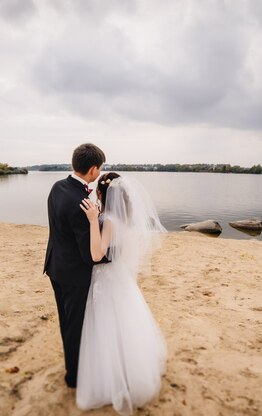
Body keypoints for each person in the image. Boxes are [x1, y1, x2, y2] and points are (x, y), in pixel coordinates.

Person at [77, 172, 167, 415]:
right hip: (122, 279)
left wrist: (93, 220)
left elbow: (97, 255)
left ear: (100, 194)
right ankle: (134, 371)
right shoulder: (127, 219)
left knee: (107, 326)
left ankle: (111, 380)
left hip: (106, 279)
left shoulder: (109, 220)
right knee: (127, 323)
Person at [43, 143, 108, 388]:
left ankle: (74, 366)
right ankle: (74, 376)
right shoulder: (82, 203)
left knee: (65, 319)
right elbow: (89, 256)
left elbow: (60, 227)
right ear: (92, 169)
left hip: (54, 266)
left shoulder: (57, 187)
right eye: (100, 168)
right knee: (74, 325)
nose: (99, 173)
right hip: (73, 275)